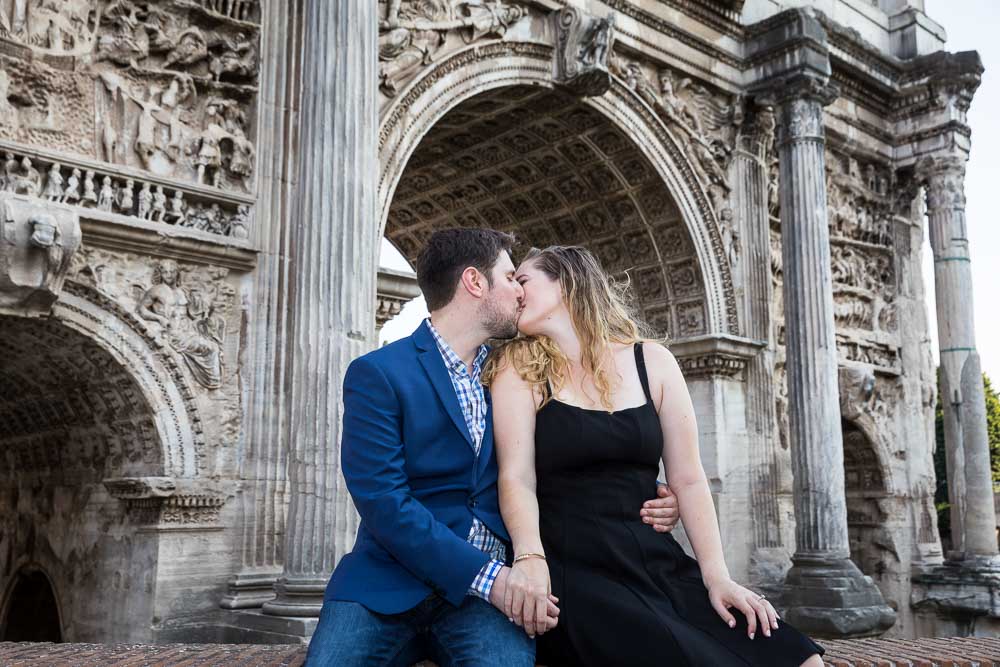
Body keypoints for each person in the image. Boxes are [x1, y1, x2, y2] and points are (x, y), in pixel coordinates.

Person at [306, 229, 680, 666]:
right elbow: (383, 501)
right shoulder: (378, 373)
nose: (520, 292)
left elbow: (567, 455)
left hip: (486, 604)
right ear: (475, 282)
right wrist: (491, 579)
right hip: (388, 586)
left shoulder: (523, 373)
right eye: (510, 277)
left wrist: (645, 489)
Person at [483, 245, 825, 667]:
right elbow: (516, 477)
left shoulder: (654, 361)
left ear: (567, 284)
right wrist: (530, 559)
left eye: (524, 281)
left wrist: (716, 575)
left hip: (656, 560)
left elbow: (689, 478)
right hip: (576, 570)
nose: (515, 293)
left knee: (798, 656)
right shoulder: (518, 368)